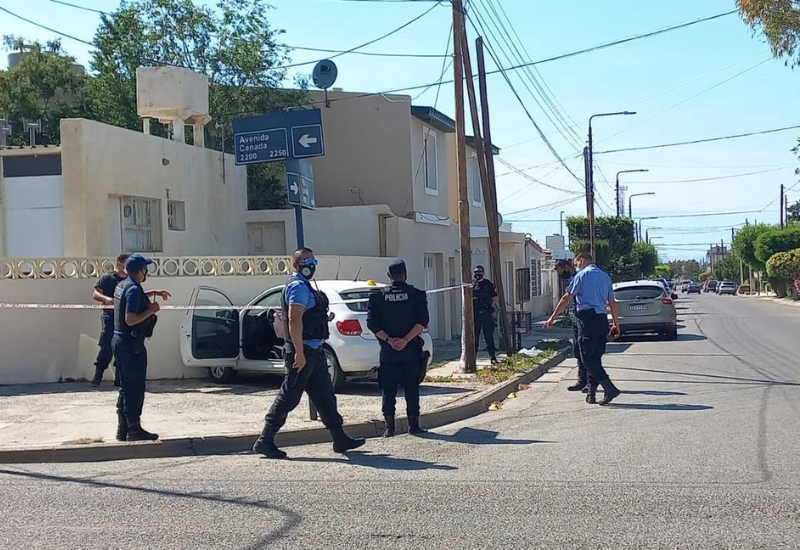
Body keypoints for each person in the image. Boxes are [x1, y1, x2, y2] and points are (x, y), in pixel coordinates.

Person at [253, 248, 366, 459]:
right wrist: (298, 353)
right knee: (288, 398)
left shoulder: (307, 286)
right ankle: (265, 441)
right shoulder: (297, 286)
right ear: (295, 265)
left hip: (315, 350)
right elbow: (294, 320)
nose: (310, 264)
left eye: (313, 260)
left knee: (325, 397)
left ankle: (339, 438)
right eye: (305, 261)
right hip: (303, 351)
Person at [544, 252, 622, 406]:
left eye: (576, 262)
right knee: (595, 357)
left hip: (587, 319)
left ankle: (609, 387)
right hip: (601, 320)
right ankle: (591, 394)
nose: (575, 266)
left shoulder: (582, 275)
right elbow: (612, 302)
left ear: (582, 260)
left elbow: (567, 297)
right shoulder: (605, 277)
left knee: (586, 357)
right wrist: (615, 324)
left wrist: (552, 317)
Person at [367, 259, 430, 438]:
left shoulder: (377, 297)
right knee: (411, 388)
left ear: (389, 276)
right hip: (410, 350)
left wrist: (389, 340)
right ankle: (414, 426)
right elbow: (422, 323)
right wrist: (405, 340)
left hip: (388, 351)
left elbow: (372, 324)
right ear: (406, 274)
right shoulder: (417, 294)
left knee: (388, 389)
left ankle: (390, 428)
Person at [112, 254, 171, 441]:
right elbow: (130, 319)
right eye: (145, 269)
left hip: (120, 341)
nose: (147, 272)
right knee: (135, 387)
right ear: (140, 271)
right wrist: (151, 310)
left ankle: (123, 430)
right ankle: (134, 429)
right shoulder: (134, 290)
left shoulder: (123, 285)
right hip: (131, 344)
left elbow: (130, 300)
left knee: (125, 386)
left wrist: (153, 293)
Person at [91, 253, 129, 387]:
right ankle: (98, 375)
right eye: (126, 263)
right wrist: (106, 299)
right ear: (119, 264)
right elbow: (96, 294)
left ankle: (119, 378)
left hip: (124, 318)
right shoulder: (108, 278)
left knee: (122, 346)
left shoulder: (130, 281)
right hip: (109, 316)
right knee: (106, 346)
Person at [554, 259, 589, 393]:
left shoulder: (580, 277)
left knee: (586, 350)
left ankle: (590, 382)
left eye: (562, 271)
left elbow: (567, 297)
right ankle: (582, 380)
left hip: (585, 315)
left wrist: (553, 316)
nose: (562, 275)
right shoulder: (571, 279)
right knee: (577, 349)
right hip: (576, 315)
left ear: (567, 266)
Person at [472, 265, 499, 363]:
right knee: (474, 338)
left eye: (479, 272)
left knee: (489, 337)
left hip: (486, 314)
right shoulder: (472, 285)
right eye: (476, 272)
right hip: (475, 315)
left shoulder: (488, 284)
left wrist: (489, 306)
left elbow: (495, 298)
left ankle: (493, 357)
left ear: (483, 273)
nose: (477, 274)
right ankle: (472, 360)